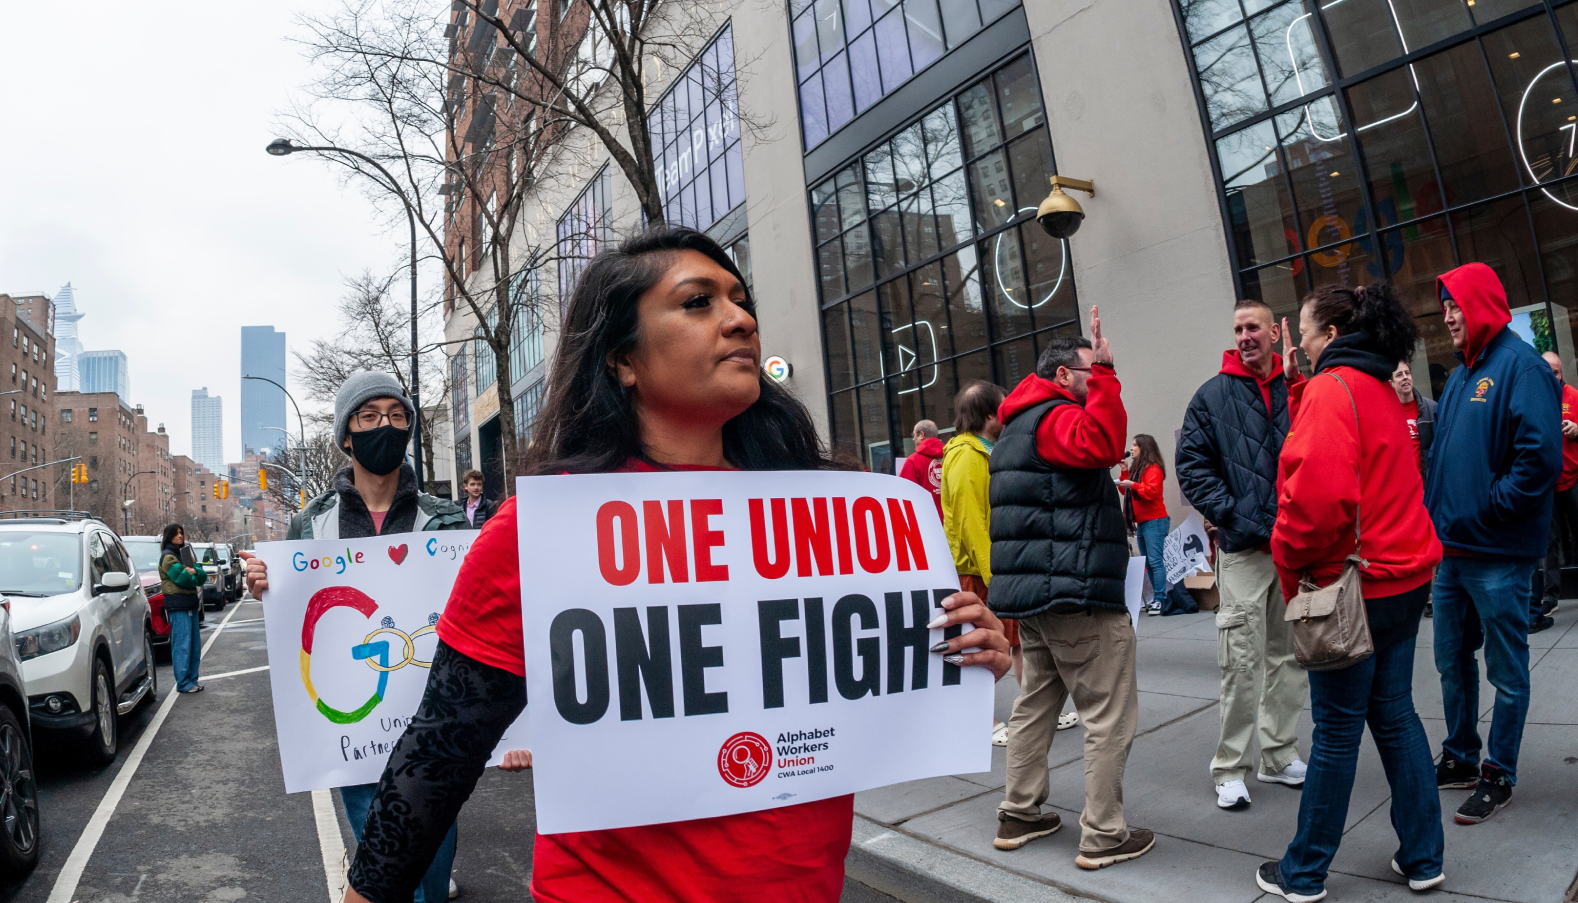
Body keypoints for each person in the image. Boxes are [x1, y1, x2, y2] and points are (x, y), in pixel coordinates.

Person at [248, 228, 1015, 903]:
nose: (739, 318)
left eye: (740, 300)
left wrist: (967, 651)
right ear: (622, 361)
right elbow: (439, 751)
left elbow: (861, 686)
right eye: (697, 302)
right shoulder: (540, 535)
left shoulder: (840, 520)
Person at [1256, 282, 1445, 902]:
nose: (1301, 345)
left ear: (1331, 337)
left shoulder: (1331, 391)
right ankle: (1423, 857)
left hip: (1353, 584)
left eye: (1305, 333)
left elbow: (1314, 507)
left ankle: (1304, 871)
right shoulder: (1380, 388)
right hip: (1402, 576)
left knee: (1336, 730)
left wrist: (1287, 564)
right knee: (1395, 714)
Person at [284, 371, 473, 903]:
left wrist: (514, 732)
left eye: (396, 414)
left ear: (410, 427)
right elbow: (301, 611)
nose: (384, 425)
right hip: (356, 723)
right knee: (383, 860)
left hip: (433, 724)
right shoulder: (311, 525)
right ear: (346, 435)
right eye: (369, 416)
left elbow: (478, 614)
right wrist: (267, 585)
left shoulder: (449, 521)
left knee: (432, 866)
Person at [987, 311, 1152, 871]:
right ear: (1064, 375)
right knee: (1109, 714)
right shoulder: (1055, 418)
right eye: (1088, 370)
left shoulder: (1017, 425)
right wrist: (1108, 375)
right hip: (1073, 594)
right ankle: (1104, 834)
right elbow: (1105, 443)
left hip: (1036, 595)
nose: (1096, 376)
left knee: (1036, 704)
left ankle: (1020, 813)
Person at [1425, 262, 1561, 825]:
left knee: (1507, 671)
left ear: (1481, 303)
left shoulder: (1521, 366)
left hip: (1498, 554)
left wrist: (1491, 509)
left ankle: (1497, 773)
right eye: (1445, 307)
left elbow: (1541, 458)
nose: (1450, 316)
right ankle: (1460, 755)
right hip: (1452, 554)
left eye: (1457, 304)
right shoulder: (1461, 375)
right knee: (1451, 662)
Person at [1177, 299, 1308, 810]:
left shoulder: (1295, 387)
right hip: (1244, 549)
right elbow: (1191, 463)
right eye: (1237, 328)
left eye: (1253, 327)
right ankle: (1230, 767)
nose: (1245, 336)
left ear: (1275, 332)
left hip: (1293, 549)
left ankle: (1278, 755)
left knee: (1289, 656)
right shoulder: (1212, 395)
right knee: (1241, 661)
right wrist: (1232, 512)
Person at [943, 379, 1023, 746]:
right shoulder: (966, 456)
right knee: (979, 648)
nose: (1009, 411)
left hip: (995, 566)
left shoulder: (984, 450)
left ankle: (1033, 710)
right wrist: (995, 575)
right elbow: (972, 520)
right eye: (1003, 406)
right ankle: (985, 721)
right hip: (978, 571)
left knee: (1018, 642)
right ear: (990, 414)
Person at [1535, 351, 1578, 625]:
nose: (1553, 376)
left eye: (1557, 372)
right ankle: (1550, 596)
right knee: (1549, 543)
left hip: (1574, 479)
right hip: (1547, 483)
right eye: (1549, 371)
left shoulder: (1574, 396)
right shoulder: (1533, 396)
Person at [1118, 434, 1170, 615]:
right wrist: (1125, 471)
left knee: (1155, 561)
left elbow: (1151, 492)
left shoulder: (1153, 469)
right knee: (1149, 561)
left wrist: (1133, 484)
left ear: (1144, 448)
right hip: (1143, 522)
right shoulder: (1137, 470)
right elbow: (1125, 491)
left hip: (1155, 521)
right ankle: (1158, 598)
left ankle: (1160, 599)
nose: (1131, 449)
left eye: (1134, 445)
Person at [158, 524, 207, 694]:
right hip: (178, 606)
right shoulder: (168, 557)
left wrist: (194, 571)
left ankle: (192, 680)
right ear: (169, 536)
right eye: (176, 533)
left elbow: (202, 576)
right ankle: (183, 683)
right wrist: (194, 573)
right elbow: (184, 579)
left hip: (191, 604)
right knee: (182, 645)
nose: (180, 536)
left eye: (181, 533)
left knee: (193, 646)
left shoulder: (184, 553)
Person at [1390, 360, 1434, 475]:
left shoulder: (1431, 408)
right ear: (1391, 383)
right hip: (1404, 485)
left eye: (1407, 373)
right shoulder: (1387, 414)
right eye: (1399, 375)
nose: (1405, 377)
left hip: (1428, 482)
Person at [898, 418, 945, 515]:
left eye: (914, 435)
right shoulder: (949, 456)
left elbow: (905, 493)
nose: (913, 439)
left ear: (921, 435)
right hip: (951, 520)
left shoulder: (912, 461)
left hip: (926, 519)